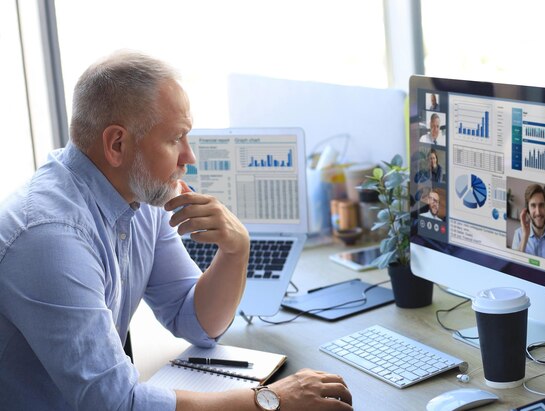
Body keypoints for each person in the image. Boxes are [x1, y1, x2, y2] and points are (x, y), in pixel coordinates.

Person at [0, 51, 352, 411]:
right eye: (175, 139)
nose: (189, 157)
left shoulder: (137, 195)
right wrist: (271, 400)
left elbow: (197, 323)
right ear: (117, 144)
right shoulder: (49, 239)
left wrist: (235, 250)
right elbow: (118, 404)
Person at [511, 184, 545, 263]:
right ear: (528, 211)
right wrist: (525, 237)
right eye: (533, 206)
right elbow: (513, 268)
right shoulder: (519, 235)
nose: (538, 212)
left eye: (541, 205)